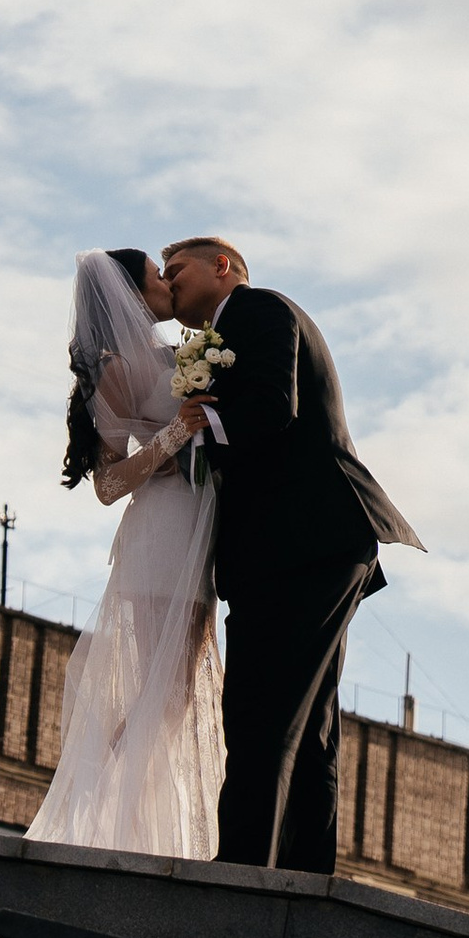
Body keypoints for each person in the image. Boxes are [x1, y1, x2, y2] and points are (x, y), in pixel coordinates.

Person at [159, 235, 422, 875]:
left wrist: (193, 428)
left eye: (177, 271)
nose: (168, 286)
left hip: (305, 543)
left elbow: (275, 405)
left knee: (260, 710)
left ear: (223, 268)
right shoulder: (221, 335)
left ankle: (245, 873)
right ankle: (302, 875)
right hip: (303, 547)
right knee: (307, 728)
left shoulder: (257, 310)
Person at [27, 249, 225, 856]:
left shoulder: (171, 356)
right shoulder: (114, 366)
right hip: (161, 533)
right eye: (157, 277)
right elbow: (108, 485)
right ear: (132, 293)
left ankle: (129, 820)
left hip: (197, 525)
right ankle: (98, 813)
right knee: (167, 694)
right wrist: (176, 432)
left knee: (177, 694)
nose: (168, 285)